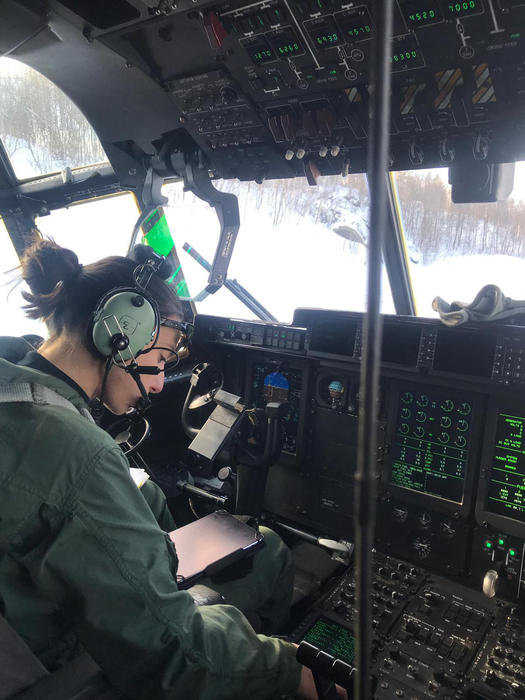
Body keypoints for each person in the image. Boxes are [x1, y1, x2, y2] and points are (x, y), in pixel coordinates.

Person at [0, 239, 346, 700]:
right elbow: (178, 657)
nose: (161, 382)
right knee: (272, 552)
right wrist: (288, 669)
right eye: (160, 359)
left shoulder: (15, 384)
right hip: (69, 664)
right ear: (116, 333)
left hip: (23, 634)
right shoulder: (77, 454)